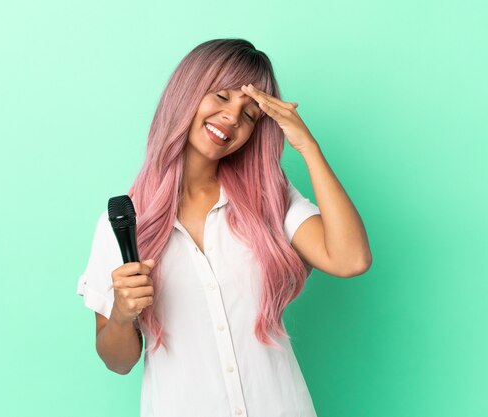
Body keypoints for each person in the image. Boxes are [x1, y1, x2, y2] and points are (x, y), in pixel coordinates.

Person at [76, 38, 372, 417]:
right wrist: (121, 314)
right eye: (221, 96)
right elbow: (118, 361)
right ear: (188, 93)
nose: (233, 118)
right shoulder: (122, 224)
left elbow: (351, 259)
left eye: (250, 114)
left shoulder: (270, 198)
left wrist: (307, 146)